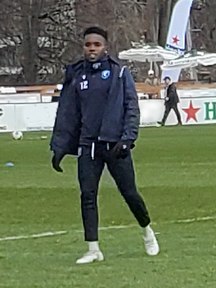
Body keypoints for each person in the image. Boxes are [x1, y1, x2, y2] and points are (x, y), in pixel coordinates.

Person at [50, 26, 159, 264]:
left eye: (96, 45)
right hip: (87, 146)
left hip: (115, 144)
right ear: (83, 47)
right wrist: (59, 146)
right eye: (88, 45)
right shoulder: (77, 76)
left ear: (105, 47)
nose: (92, 49)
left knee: (129, 193)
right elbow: (68, 113)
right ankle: (93, 248)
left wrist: (128, 139)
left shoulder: (120, 73)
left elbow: (131, 107)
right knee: (87, 195)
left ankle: (147, 231)